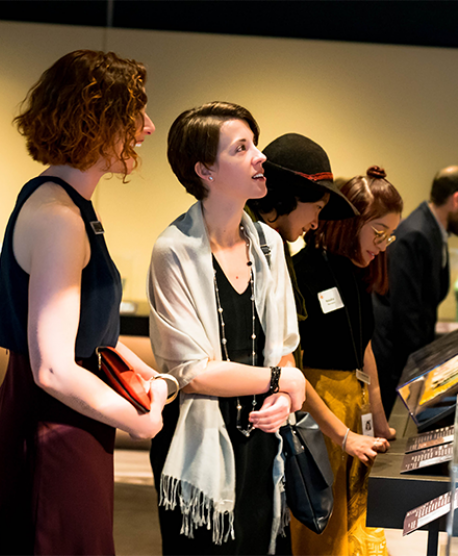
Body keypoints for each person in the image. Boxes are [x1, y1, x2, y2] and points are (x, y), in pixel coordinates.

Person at [0, 50, 167, 556]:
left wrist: (143, 376)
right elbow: (53, 368)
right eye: (136, 113)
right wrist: (138, 419)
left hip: (71, 419)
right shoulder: (58, 217)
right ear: (98, 119)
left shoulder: (66, 206)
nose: (148, 127)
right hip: (56, 426)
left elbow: (88, 339)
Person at [147, 101, 307, 556]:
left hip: (263, 444)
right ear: (205, 170)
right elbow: (192, 372)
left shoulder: (270, 245)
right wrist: (280, 381)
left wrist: (279, 397)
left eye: (254, 144)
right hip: (198, 448)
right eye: (242, 148)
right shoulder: (173, 251)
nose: (260, 157)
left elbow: (285, 348)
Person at [249, 133, 389, 465]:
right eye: (317, 208)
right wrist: (343, 435)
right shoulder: (258, 244)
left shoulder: (274, 246)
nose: (315, 222)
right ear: (292, 197)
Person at [292, 166, 402, 556]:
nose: (383, 244)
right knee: (325, 527)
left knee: (353, 522)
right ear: (350, 221)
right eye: (378, 232)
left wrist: (379, 419)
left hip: (351, 408)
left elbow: (364, 347)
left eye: (389, 235)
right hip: (320, 411)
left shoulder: (358, 274)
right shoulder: (305, 271)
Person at [373, 165, 458, 416]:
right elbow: (406, 312)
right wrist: (424, 369)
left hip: (406, 360)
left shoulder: (432, 231)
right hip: (395, 362)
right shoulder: (416, 234)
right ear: (457, 200)